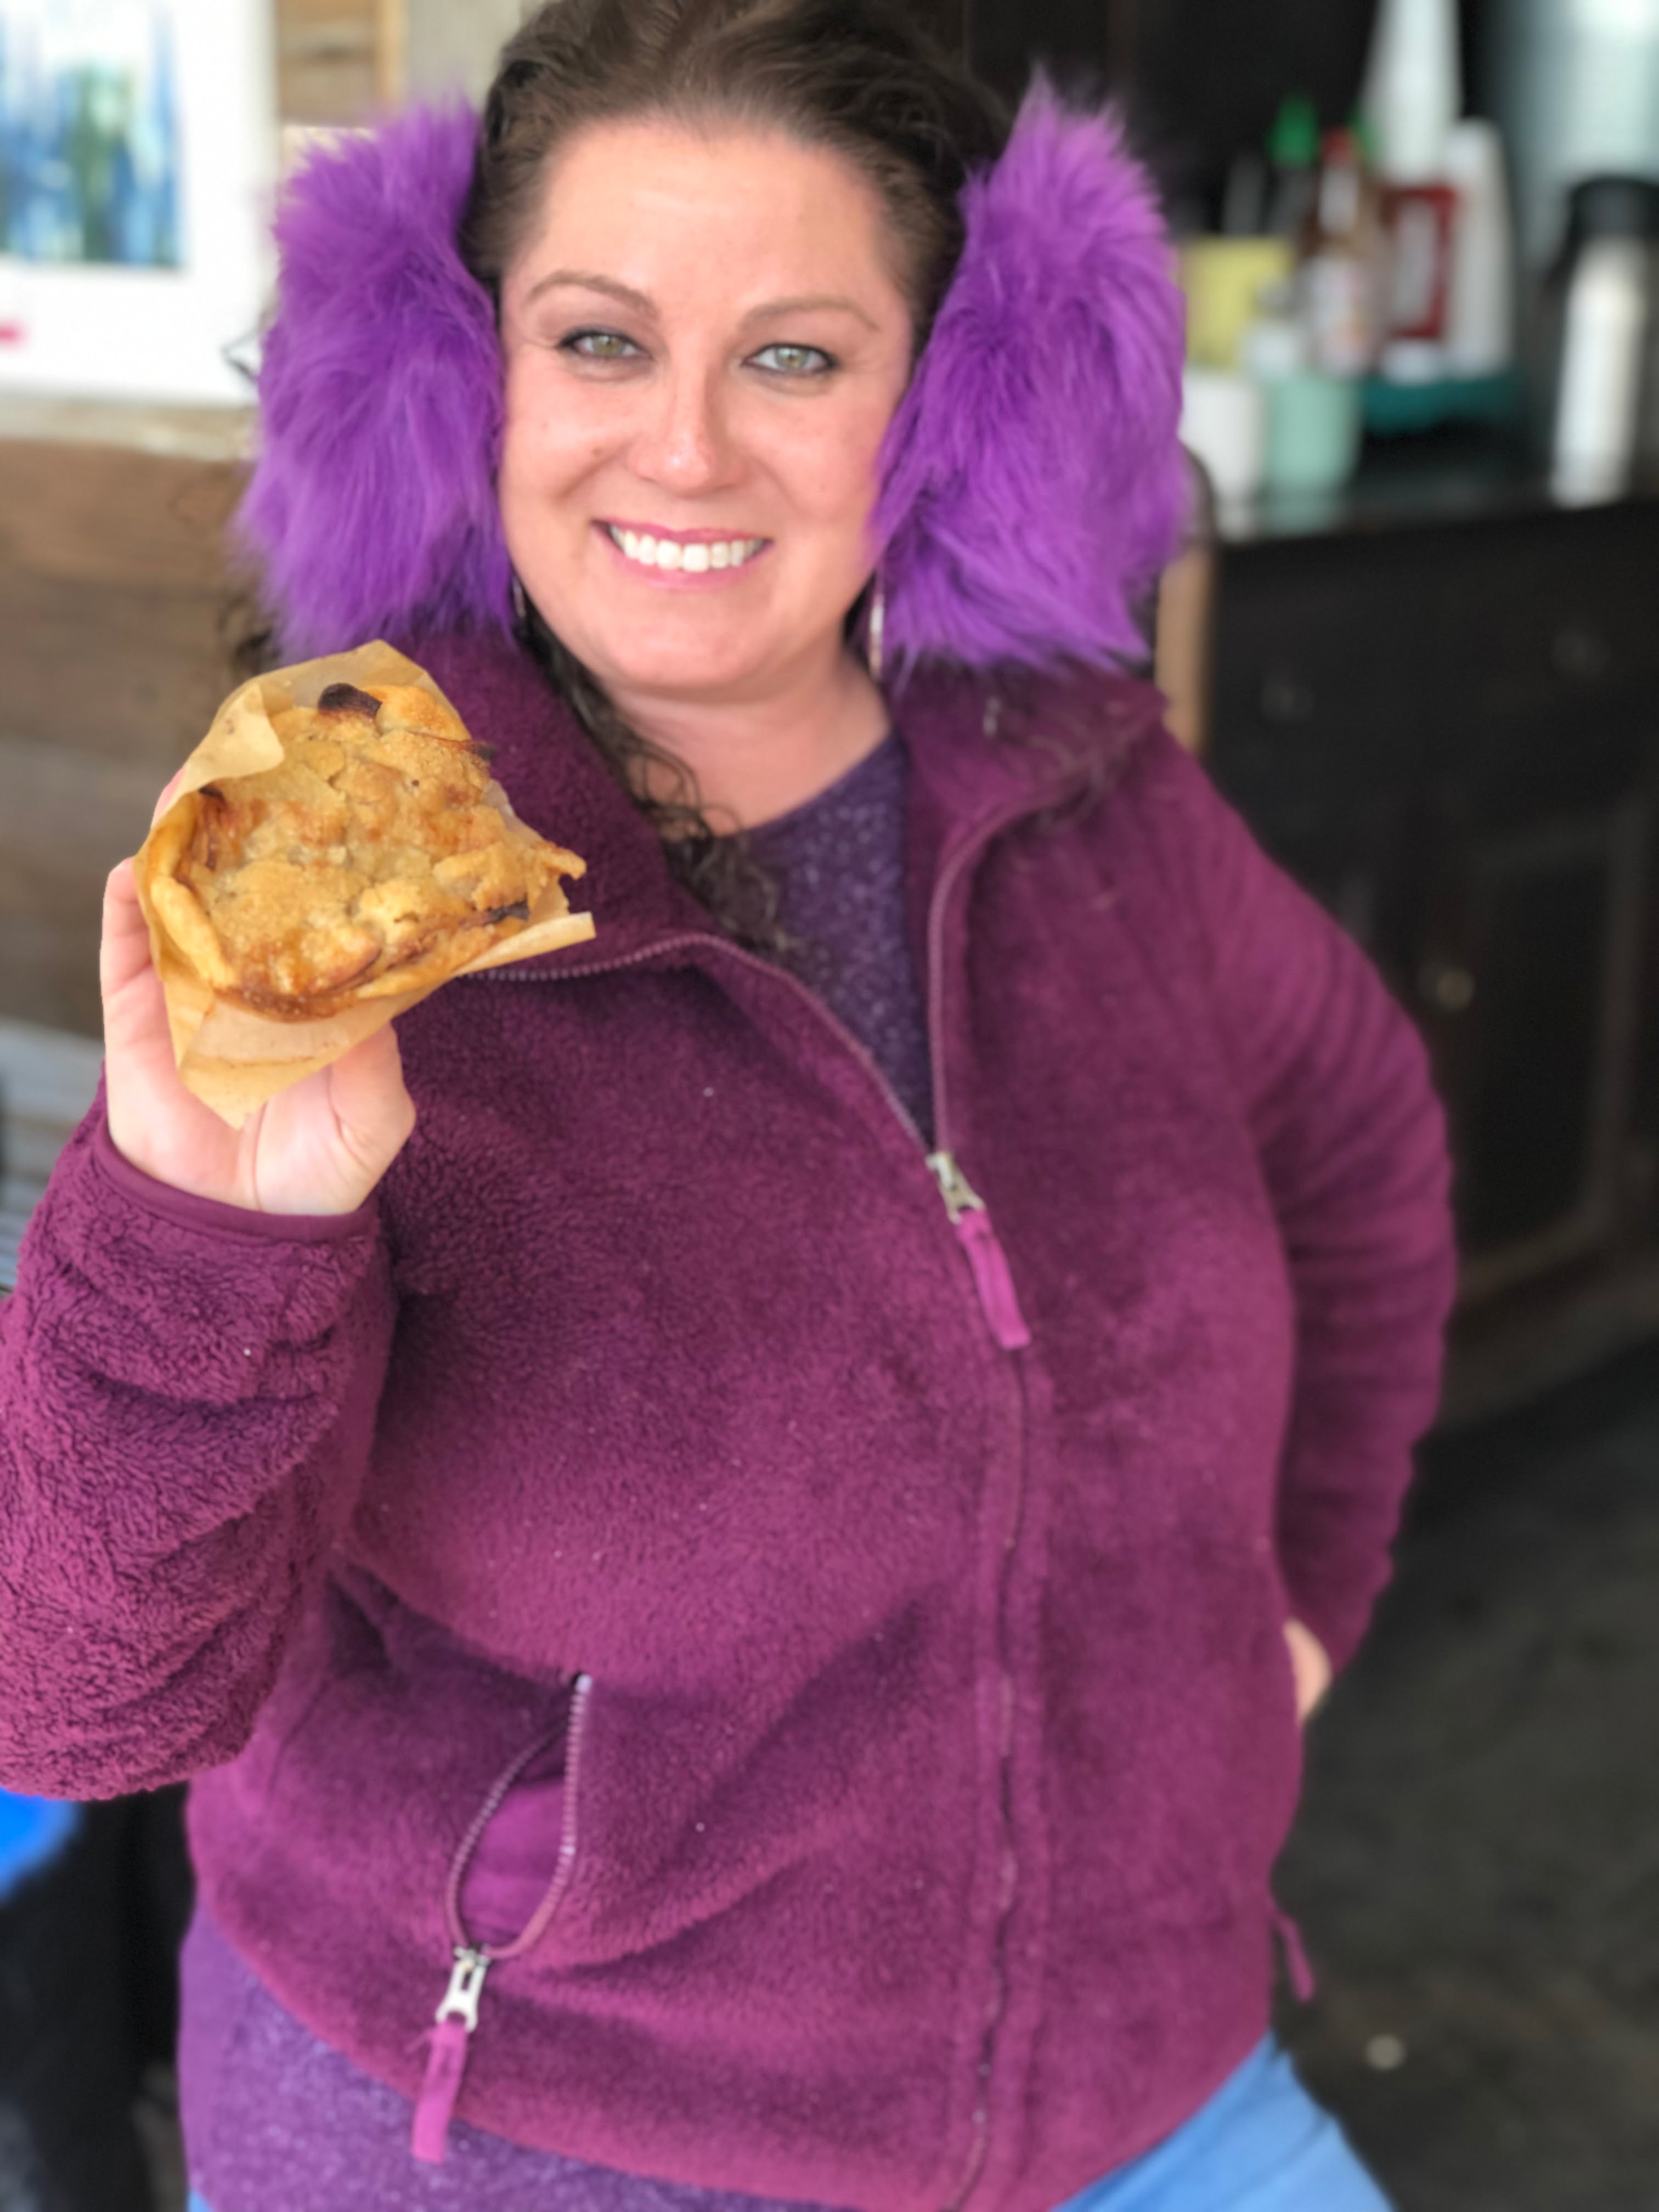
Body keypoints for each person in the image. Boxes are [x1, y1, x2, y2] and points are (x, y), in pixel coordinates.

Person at [0, 3, 1457, 2208]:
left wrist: (1298, 1617)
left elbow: (1363, 1153)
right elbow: (79, 1695)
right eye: (600, 341)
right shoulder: (354, 890)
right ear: (468, 378)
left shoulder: (1081, 787)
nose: (682, 449)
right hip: (536, 2144)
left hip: (1153, 2086)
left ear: (943, 399)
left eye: (794, 356)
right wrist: (213, 1231)